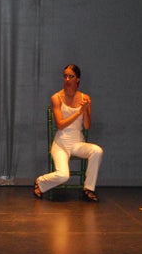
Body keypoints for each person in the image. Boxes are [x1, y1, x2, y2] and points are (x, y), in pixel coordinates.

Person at [34, 64, 103, 202]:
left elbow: (87, 126)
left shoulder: (85, 98)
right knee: (64, 176)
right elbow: (60, 124)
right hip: (60, 144)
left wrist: (86, 110)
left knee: (97, 151)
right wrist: (79, 112)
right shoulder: (56, 97)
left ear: (77, 79)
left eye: (71, 76)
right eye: (65, 76)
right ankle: (40, 181)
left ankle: (88, 188)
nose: (67, 79)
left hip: (77, 143)